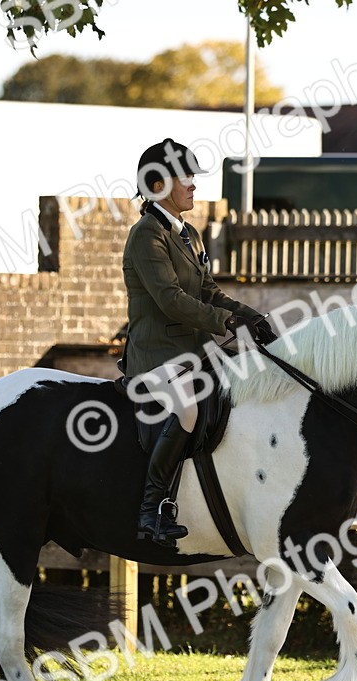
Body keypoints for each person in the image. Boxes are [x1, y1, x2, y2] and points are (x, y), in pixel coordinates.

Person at [121, 138, 276, 548]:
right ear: (158, 184)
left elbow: (208, 291)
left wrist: (248, 315)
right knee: (188, 407)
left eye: (192, 175)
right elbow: (171, 300)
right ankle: (152, 509)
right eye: (185, 176)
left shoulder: (189, 233)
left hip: (194, 353)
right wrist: (226, 321)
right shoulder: (146, 236)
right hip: (156, 356)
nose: (193, 184)